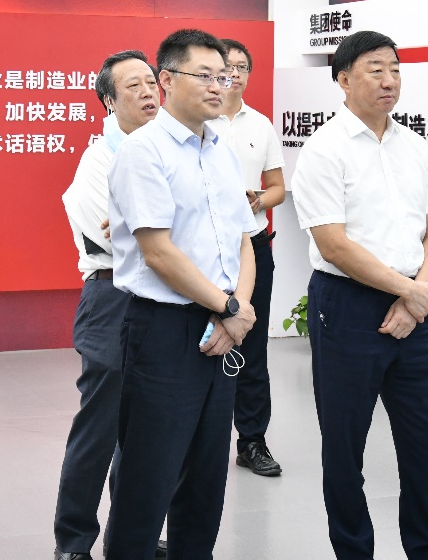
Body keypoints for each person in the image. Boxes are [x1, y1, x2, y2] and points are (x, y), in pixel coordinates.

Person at [291, 30, 428, 560]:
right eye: (375, 69)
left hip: (415, 307)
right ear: (343, 79)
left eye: (395, 69)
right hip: (348, 307)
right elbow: (333, 245)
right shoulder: (324, 149)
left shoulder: (415, 146)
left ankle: (426, 550)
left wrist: (415, 296)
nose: (389, 80)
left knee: (426, 446)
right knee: (344, 447)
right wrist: (409, 292)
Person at [104, 28, 258, 560]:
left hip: (222, 327)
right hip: (164, 329)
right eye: (205, 75)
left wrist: (236, 310)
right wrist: (229, 308)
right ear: (166, 80)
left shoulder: (222, 152)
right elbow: (159, 253)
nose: (220, 85)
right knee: (148, 478)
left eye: (225, 76)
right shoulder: (142, 152)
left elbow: (244, 239)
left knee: (206, 477)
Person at [53, 50, 162, 560]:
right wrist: (156, 226)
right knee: (99, 427)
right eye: (133, 86)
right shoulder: (98, 161)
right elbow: (130, 241)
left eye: (151, 82)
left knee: (147, 430)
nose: (147, 92)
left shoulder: (170, 151)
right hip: (112, 297)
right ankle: (73, 541)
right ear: (108, 101)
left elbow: (163, 230)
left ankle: (132, 536)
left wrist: (151, 224)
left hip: (165, 298)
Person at [211, 38, 286, 478]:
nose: (233, 74)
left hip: (253, 246)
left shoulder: (261, 125)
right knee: (203, 340)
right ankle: (200, 441)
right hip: (205, 249)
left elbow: (277, 188)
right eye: (226, 67)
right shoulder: (197, 120)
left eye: (241, 67)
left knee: (252, 345)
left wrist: (258, 200)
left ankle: (252, 441)